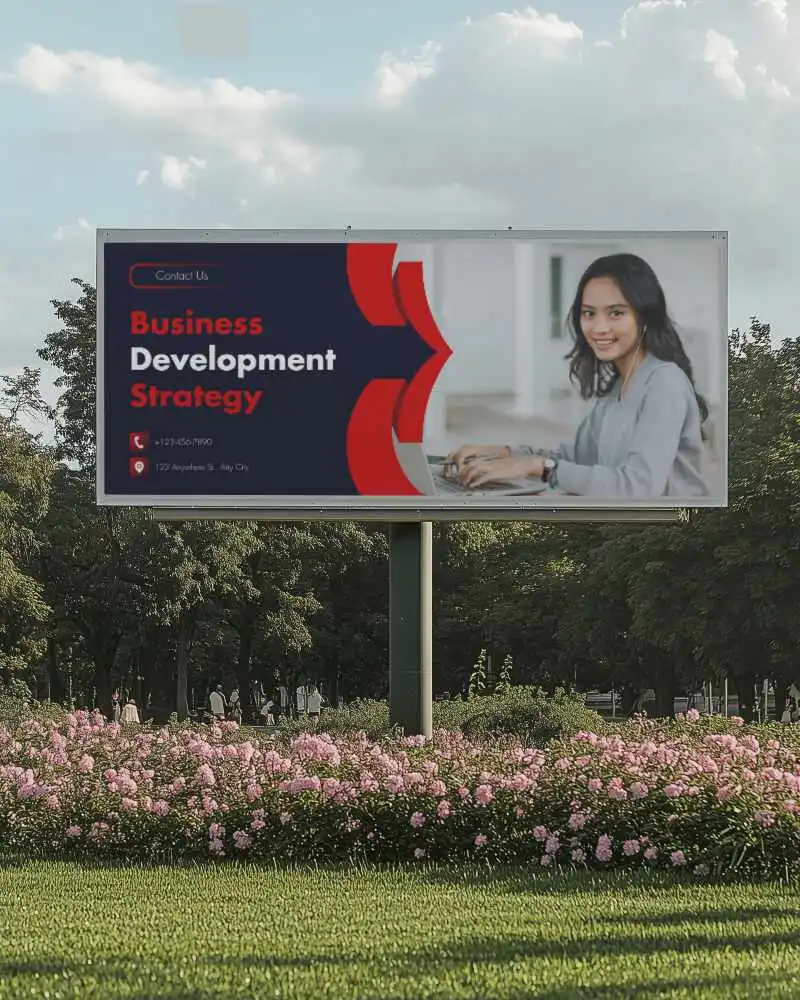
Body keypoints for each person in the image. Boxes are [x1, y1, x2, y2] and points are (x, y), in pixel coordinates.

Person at [447, 253, 710, 499]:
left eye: (616, 313)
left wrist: (539, 467)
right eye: (589, 313)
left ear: (645, 317)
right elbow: (570, 460)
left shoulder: (665, 383)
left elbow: (637, 488)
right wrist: (502, 453)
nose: (599, 327)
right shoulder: (619, 387)